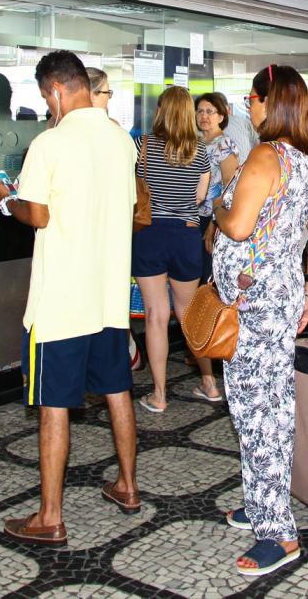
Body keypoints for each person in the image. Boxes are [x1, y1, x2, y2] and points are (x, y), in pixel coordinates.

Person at [0, 52, 141, 544]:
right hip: (108, 296)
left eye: (45, 98)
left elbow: (36, 214)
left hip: (60, 302)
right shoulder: (122, 141)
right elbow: (131, 208)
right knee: (117, 389)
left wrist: (6, 200)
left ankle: (49, 516)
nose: (47, 106)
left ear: (56, 91)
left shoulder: (50, 142)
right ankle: (128, 485)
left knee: (54, 404)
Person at [214, 64, 308, 576]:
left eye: (252, 100)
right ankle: (261, 500)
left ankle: (278, 533)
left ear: (270, 104)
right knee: (266, 402)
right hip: (282, 297)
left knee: (259, 412)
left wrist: (218, 205)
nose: (248, 107)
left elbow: (238, 226)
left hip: (256, 304)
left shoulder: (265, 155)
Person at [133, 86, 214, 411]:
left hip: (150, 234)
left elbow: (136, 189)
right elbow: (199, 198)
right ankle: (209, 383)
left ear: (161, 111)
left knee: (155, 316)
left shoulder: (144, 145)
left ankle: (159, 395)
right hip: (186, 236)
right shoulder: (201, 151)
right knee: (188, 314)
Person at [196, 93, 242, 278]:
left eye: (210, 111)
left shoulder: (224, 145)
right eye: (200, 111)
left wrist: (215, 224)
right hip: (193, 216)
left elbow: (230, 187)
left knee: (205, 275)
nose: (204, 116)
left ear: (221, 117)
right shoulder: (196, 141)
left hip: (212, 218)